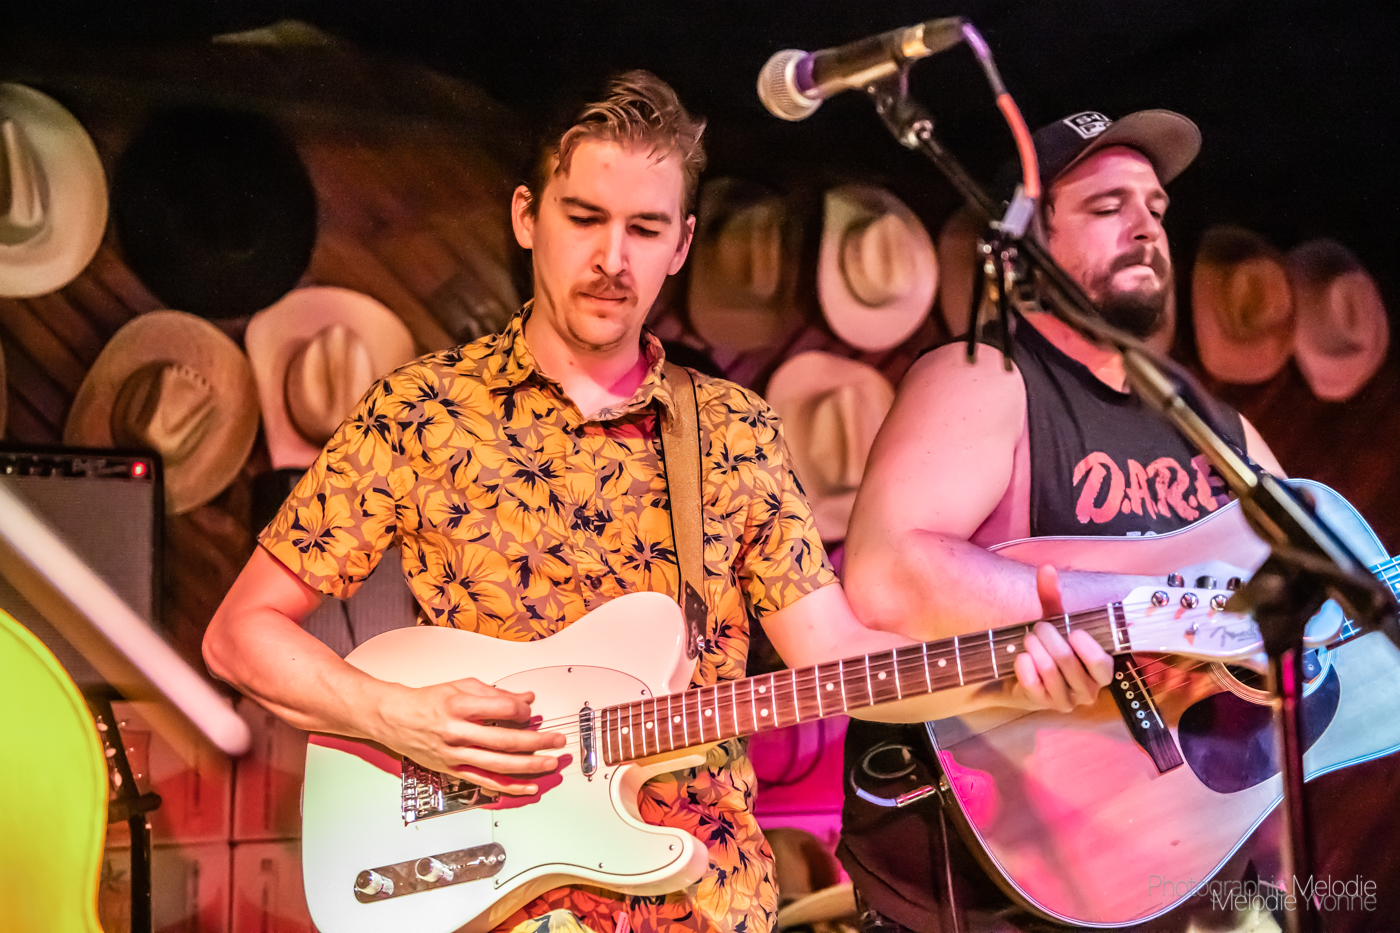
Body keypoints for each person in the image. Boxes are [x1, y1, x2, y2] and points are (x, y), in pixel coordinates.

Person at [203, 70, 957, 933]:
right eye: (585, 218)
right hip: (496, 900)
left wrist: (1016, 678)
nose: (612, 259)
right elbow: (239, 634)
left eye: (645, 228)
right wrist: (394, 714)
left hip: (703, 906)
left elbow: (841, 657)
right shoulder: (423, 410)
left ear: (682, 243)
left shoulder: (735, 429)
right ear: (527, 217)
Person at [837, 110, 1305, 933]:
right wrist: (1140, 610)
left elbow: (1312, 592)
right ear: (1025, 242)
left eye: (1155, 209)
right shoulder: (985, 376)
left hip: (1189, 869)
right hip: (1004, 880)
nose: (1146, 227)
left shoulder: (1216, 426)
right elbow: (885, 574)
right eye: (1107, 207)